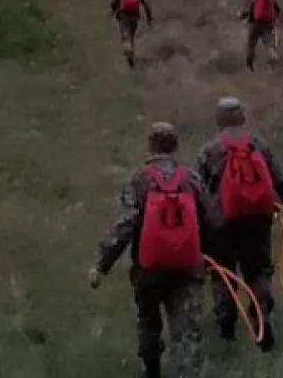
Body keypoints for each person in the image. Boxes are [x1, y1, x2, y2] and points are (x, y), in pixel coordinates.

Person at [91, 122, 219, 378]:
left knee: (149, 323)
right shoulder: (191, 179)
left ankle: (151, 370)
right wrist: (212, 261)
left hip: (148, 271)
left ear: (151, 145)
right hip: (187, 269)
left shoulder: (140, 180)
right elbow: (211, 222)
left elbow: (125, 226)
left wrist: (102, 264)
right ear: (175, 146)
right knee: (187, 332)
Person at [194, 97, 283, 352]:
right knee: (258, 271)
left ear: (219, 119)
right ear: (243, 117)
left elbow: (193, 191)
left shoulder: (209, 150)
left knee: (223, 275)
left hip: (221, 224)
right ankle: (263, 317)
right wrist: (271, 208)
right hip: (257, 221)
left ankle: (226, 328)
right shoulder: (258, 144)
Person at [111, 0, 154, 68]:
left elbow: (113, 4)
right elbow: (146, 5)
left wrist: (114, 12)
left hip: (123, 16)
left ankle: (129, 51)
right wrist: (149, 18)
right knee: (131, 35)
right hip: (134, 17)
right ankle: (131, 55)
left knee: (125, 36)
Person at [242, 0, 281, 70]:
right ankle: (273, 56)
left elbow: (246, 10)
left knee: (251, 43)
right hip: (268, 22)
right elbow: (277, 8)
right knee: (268, 42)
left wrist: (241, 15)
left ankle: (250, 64)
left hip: (255, 23)